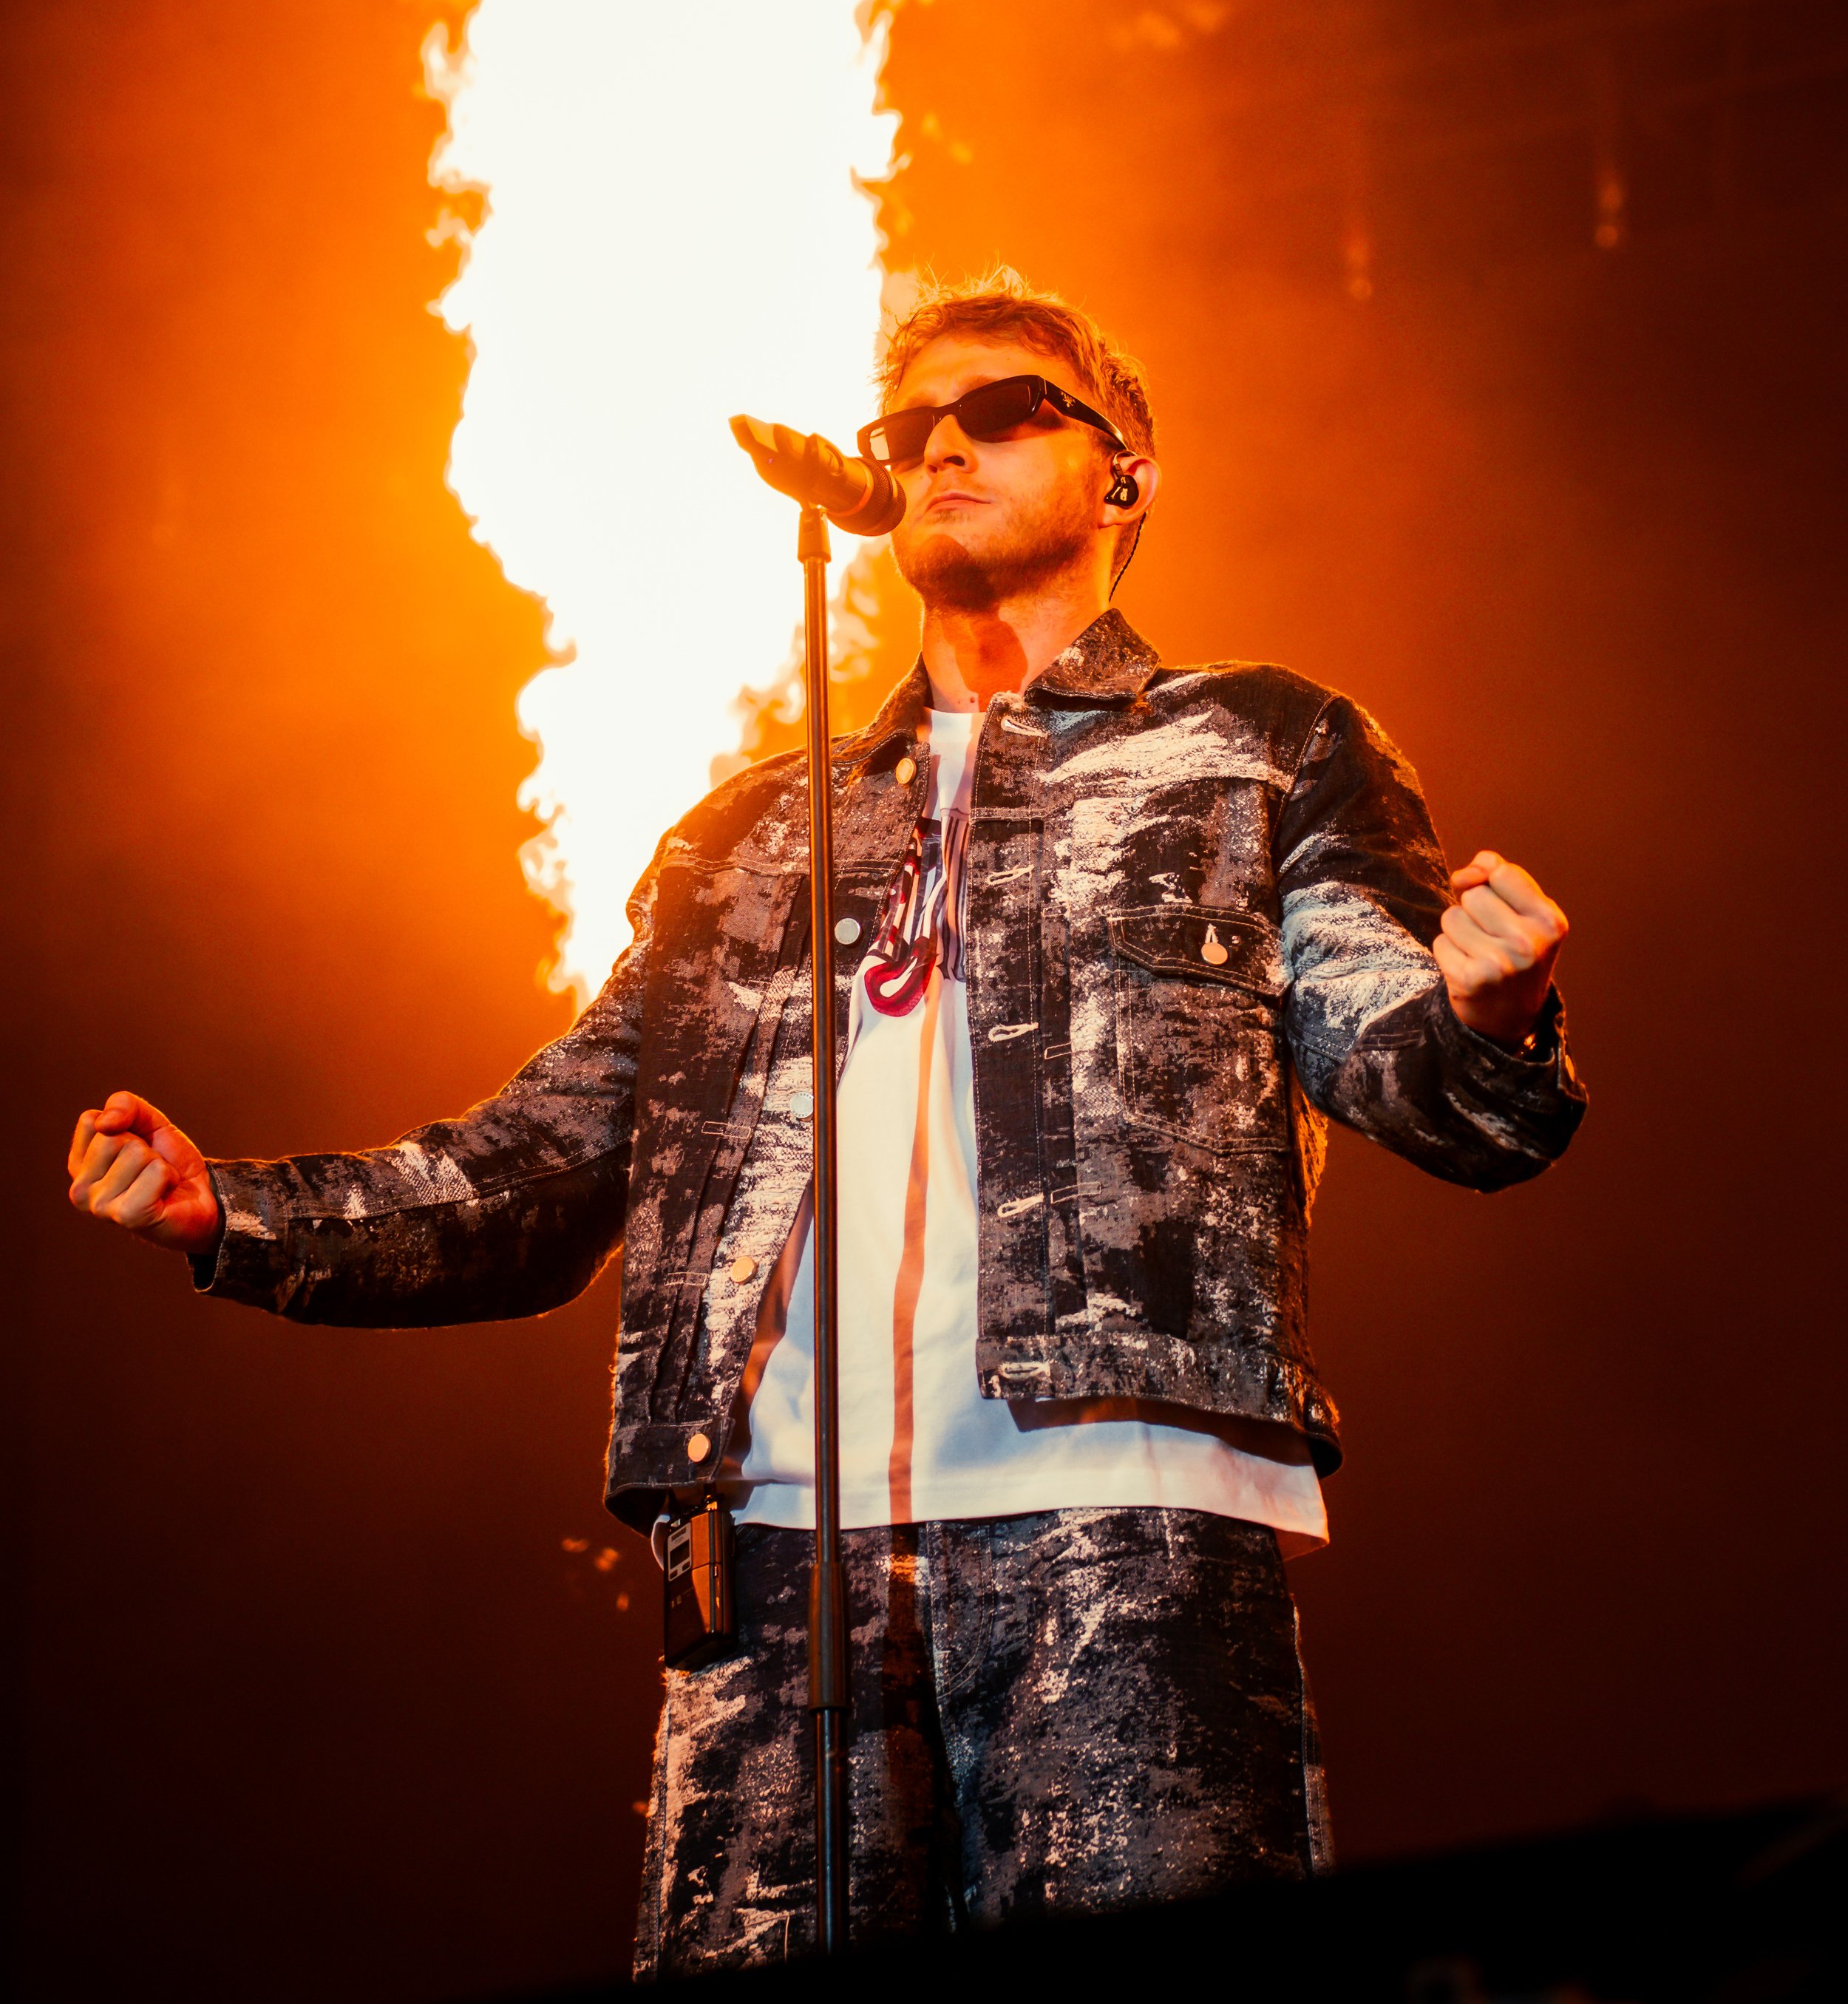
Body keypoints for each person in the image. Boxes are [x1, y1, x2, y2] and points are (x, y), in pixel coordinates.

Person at [67, 269, 1582, 1974]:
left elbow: (1387, 1042)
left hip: (1120, 1519)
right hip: (772, 1560)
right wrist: (232, 1209)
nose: (942, 446)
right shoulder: (748, 836)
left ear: (1124, 472)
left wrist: (1482, 1017)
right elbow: (545, 1159)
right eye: (911, 424)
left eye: (1000, 409)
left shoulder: (1256, 745)